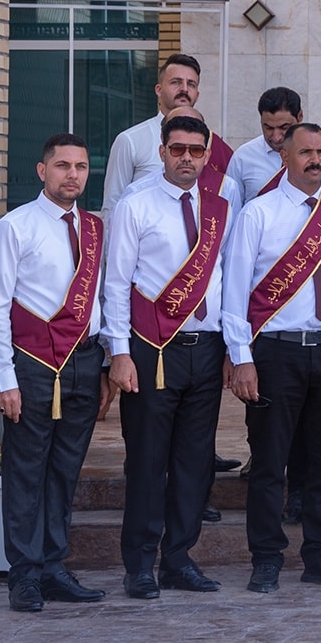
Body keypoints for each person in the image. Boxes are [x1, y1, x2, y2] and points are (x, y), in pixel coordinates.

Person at [222, 123, 321, 593]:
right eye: (305, 152)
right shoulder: (258, 214)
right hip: (277, 352)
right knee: (271, 463)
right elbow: (234, 293)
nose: (315, 160)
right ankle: (266, 558)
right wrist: (241, 358)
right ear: (285, 157)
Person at [102, 114, 232, 600]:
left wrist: (232, 350)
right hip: (152, 349)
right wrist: (118, 353)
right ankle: (139, 564)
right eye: (178, 150)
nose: (187, 159)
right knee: (148, 461)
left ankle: (178, 559)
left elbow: (227, 279)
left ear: (207, 155)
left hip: (206, 348)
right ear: (162, 152)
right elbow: (117, 284)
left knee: (194, 463)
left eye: (196, 151)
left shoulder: (220, 206)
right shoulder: (135, 205)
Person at [0, 132, 109, 612]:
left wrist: (104, 364)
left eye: (80, 166)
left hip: (83, 360)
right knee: (26, 472)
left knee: (64, 471)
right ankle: (24, 575)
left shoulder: (94, 228)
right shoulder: (15, 226)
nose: (72, 175)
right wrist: (4, 377)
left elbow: (99, 299)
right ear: (42, 171)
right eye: (62, 166)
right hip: (32, 364)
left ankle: (54, 567)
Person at [102, 53, 202, 211]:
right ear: (158, 90)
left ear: (197, 94)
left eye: (191, 84)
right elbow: (113, 205)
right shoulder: (130, 140)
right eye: (176, 82)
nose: (184, 89)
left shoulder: (209, 144)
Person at [224, 87, 304, 202]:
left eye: (284, 127)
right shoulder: (243, 157)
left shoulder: (318, 155)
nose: (276, 137)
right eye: (268, 128)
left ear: (300, 116)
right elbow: (230, 207)